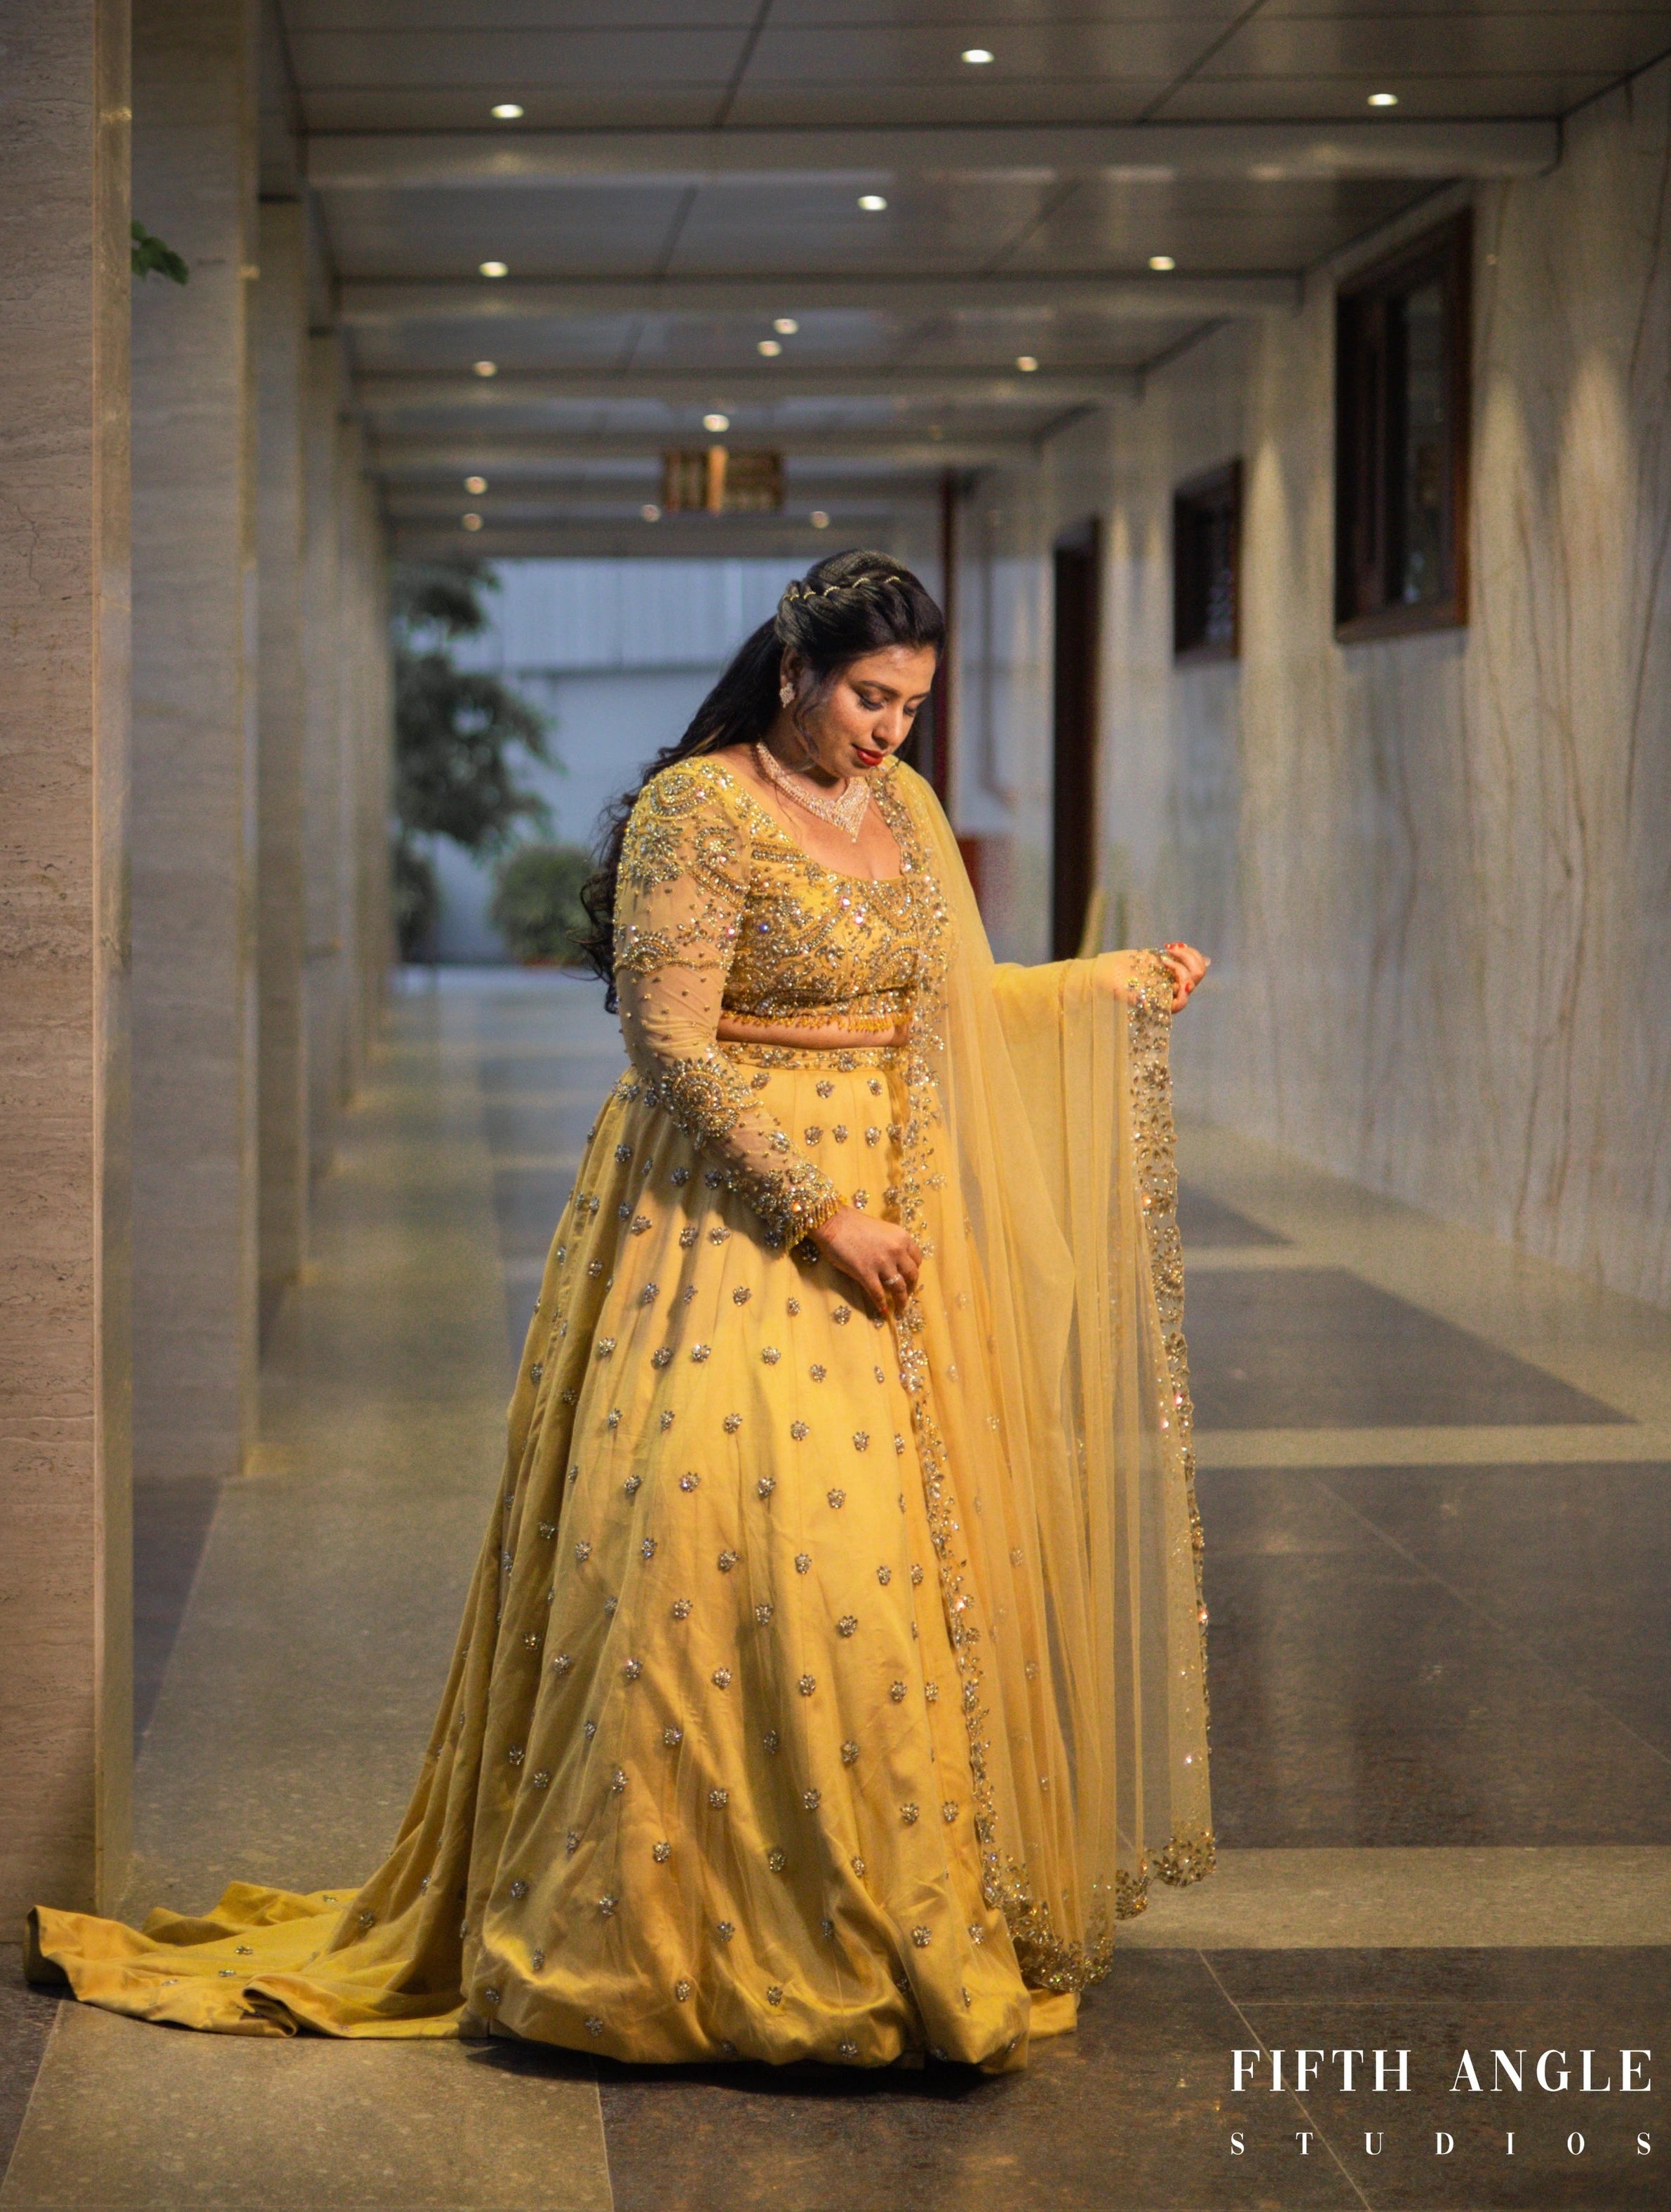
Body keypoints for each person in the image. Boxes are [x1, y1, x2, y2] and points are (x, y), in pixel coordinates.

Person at [29, 550, 1214, 2071]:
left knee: (877, 1585)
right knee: (704, 1558)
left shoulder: (901, 816)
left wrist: (1107, 983)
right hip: (725, 1222)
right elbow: (667, 1044)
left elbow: (954, 1005)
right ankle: (646, 1941)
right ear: (794, 670)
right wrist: (817, 1213)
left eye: (912, 706)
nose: (889, 733)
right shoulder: (699, 810)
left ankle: (872, 1915)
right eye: (868, 697)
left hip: (890, 1228)